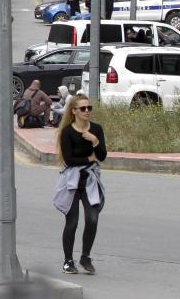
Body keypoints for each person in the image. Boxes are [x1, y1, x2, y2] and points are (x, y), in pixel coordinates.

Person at [54, 94, 106, 275]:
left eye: (89, 108)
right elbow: (69, 159)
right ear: (74, 111)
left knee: (93, 218)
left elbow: (102, 155)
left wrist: (95, 141)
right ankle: (68, 260)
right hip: (72, 181)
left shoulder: (96, 129)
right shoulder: (67, 132)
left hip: (89, 180)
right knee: (73, 221)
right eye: (83, 108)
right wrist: (89, 158)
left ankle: (85, 257)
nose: (87, 112)